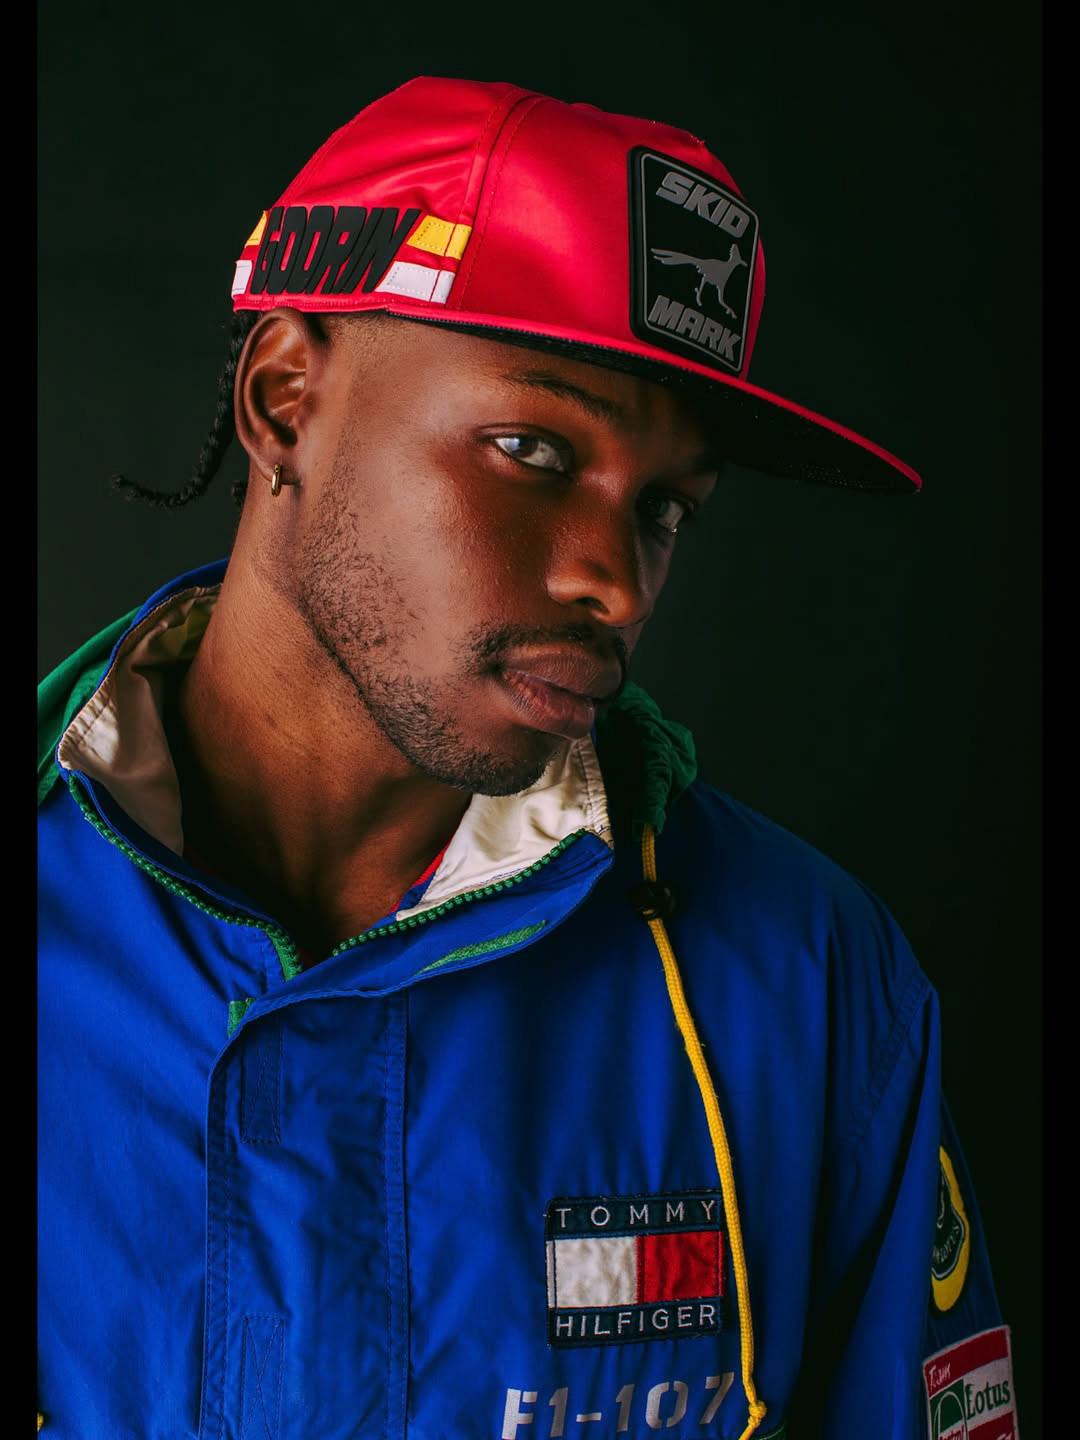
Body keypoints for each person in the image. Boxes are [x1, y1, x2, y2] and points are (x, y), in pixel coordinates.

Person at [37, 76, 1016, 1440]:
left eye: (664, 507)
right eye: (533, 449)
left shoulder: (807, 981)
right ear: (283, 401)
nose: (614, 579)